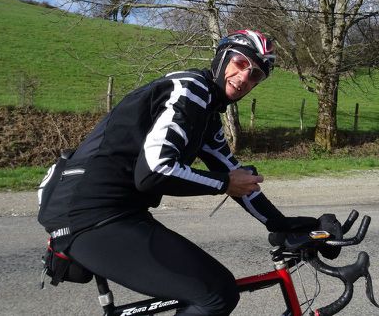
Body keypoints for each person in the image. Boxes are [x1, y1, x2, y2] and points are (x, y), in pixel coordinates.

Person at [61, 29, 316, 315]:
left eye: (256, 74)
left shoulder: (207, 113)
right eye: (240, 63)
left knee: (214, 289)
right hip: (92, 216)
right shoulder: (191, 90)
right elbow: (154, 172)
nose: (245, 77)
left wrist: (281, 224)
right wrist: (224, 183)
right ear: (221, 59)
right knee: (216, 294)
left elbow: (233, 174)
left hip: (117, 213)